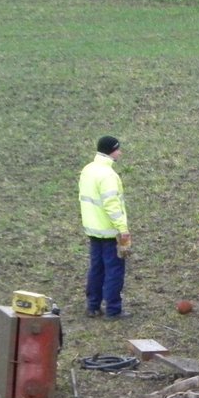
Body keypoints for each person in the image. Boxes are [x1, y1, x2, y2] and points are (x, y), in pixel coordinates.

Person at [79, 135, 132, 320]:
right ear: (111, 151)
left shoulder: (88, 170)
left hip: (93, 229)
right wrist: (122, 229)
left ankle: (93, 306)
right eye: (117, 149)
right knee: (114, 270)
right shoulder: (108, 175)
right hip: (109, 231)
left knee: (96, 268)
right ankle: (113, 309)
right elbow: (112, 206)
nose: (120, 152)